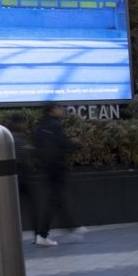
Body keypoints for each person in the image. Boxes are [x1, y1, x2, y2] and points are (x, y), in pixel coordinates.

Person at [32, 102, 84, 247]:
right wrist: (76, 143)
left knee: (57, 199)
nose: (62, 110)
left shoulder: (39, 127)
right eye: (59, 108)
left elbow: (37, 148)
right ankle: (42, 234)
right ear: (52, 110)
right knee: (54, 200)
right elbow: (63, 143)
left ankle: (72, 227)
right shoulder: (55, 126)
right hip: (57, 168)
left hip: (47, 168)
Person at [7, 113, 41, 242]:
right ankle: (37, 234)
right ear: (18, 123)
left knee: (15, 208)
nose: (25, 125)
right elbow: (22, 156)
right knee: (32, 206)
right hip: (23, 176)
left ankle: (13, 235)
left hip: (14, 177)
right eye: (23, 122)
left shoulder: (9, 136)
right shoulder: (17, 138)